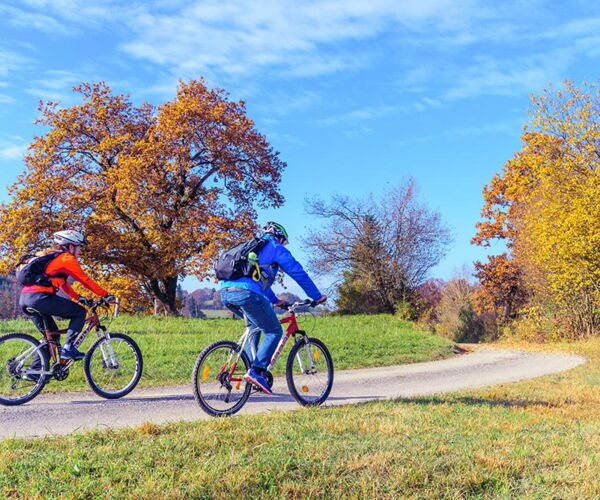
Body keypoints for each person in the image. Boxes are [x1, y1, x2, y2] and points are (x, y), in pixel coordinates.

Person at [219, 222, 327, 394]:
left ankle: (251, 370)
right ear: (280, 237)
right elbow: (298, 272)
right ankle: (257, 371)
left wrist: (275, 300)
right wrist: (316, 296)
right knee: (274, 331)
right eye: (284, 241)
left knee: (254, 326)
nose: (284, 245)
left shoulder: (251, 249)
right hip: (248, 294)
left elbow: (258, 280)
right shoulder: (275, 247)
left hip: (226, 293)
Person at [19, 230, 115, 360]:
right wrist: (106, 295)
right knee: (80, 312)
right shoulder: (67, 258)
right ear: (70, 246)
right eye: (79, 247)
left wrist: (78, 297)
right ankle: (68, 348)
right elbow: (85, 280)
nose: (80, 251)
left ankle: (36, 374)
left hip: (25, 299)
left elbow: (62, 283)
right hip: (40, 297)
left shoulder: (50, 255)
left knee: (52, 337)